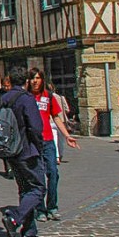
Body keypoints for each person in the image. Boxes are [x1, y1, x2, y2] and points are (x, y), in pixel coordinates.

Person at [0, 64, 47, 237]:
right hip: (27, 150)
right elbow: (35, 126)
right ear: (26, 81)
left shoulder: (4, 99)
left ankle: (30, 231)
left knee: (25, 189)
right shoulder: (26, 99)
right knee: (38, 188)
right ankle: (14, 218)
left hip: (11, 151)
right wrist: (39, 146)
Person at [28, 68, 79, 222]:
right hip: (33, 142)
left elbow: (56, 117)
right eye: (32, 78)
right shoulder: (26, 97)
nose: (35, 81)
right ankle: (40, 209)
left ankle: (52, 207)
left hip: (48, 141)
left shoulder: (48, 97)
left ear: (42, 80)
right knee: (38, 178)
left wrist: (67, 135)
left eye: (38, 78)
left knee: (53, 173)